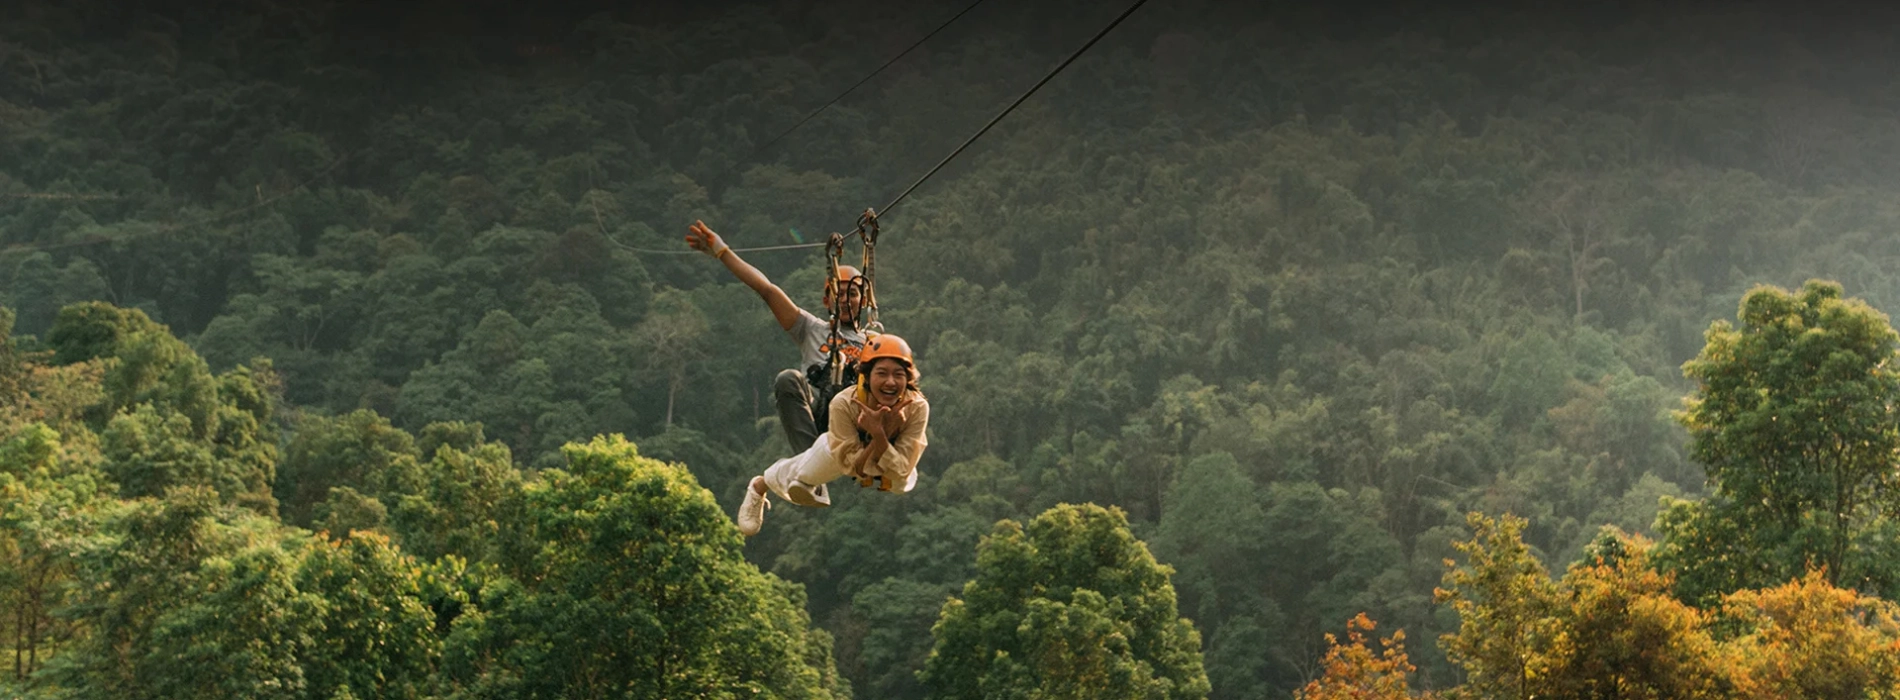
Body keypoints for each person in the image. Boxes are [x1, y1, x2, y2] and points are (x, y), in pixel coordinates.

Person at [685, 220, 866, 452]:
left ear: (864, 300)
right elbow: (767, 290)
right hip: (818, 414)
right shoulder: (811, 328)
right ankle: (809, 465)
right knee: (788, 379)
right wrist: (722, 252)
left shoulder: (874, 342)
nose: (844, 299)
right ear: (825, 300)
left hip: (854, 419)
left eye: (852, 293)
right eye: (837, 292)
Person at [737, 333, 928, 536]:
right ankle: (760, 485)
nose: (890, 382)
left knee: (901, 483)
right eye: (881, 373)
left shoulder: (917, 407)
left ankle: (789, 483)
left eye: (898, 375)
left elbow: (901, 470)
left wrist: (880, 436)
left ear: (907, 379)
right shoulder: (844, 403)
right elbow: (852, 466)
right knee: (805, 473)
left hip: (890, 460)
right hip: (847, 453)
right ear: (866, 375)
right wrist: (879, 434)